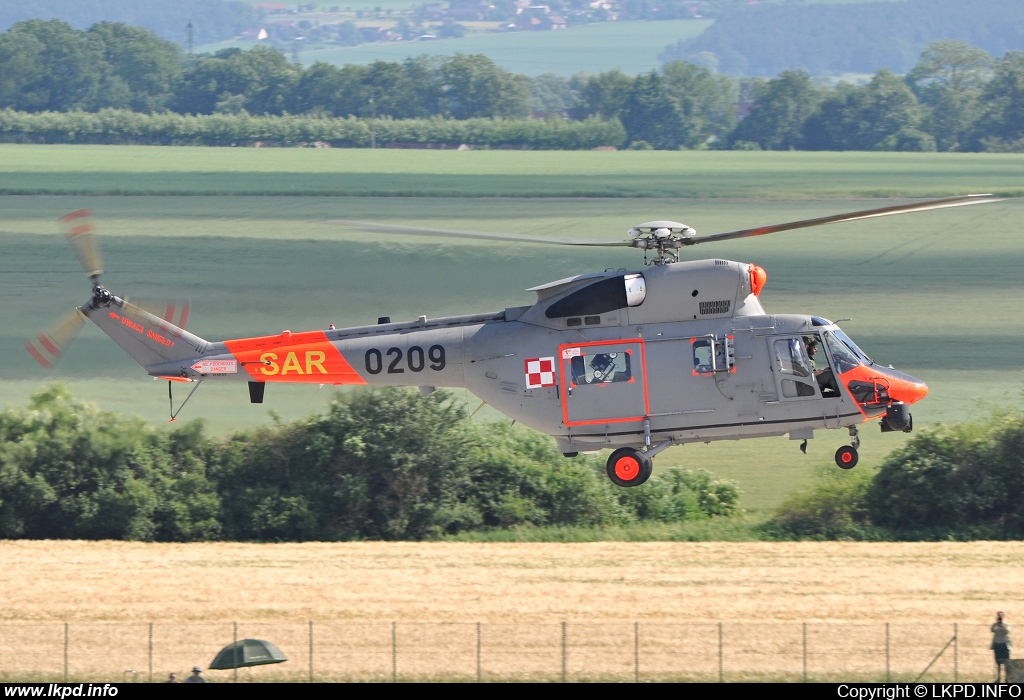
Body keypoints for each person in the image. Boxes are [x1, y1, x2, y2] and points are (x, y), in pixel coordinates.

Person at [992, 611, 1012, 682]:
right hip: (997, 645)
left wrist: (1002, 624)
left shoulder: (1006, 624)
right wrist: (997, 623)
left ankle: (1007, 678)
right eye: (999, 616)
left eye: (1001, 616)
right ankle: (998, 678)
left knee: (1007, 663)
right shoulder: (995, 624)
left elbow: (1007, 631)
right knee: (998, 663)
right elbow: (992, 630)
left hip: (1004, 645)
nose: (1000, 617)